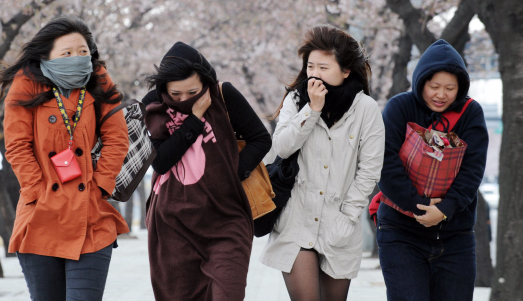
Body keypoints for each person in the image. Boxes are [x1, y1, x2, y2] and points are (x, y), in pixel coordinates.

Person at [0, 16, 130, 301]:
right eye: (66, 53)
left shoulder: (98, 79)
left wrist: (101, 186)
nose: (76, 58)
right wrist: (35, 191)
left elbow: (118, 139)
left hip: (90, 215)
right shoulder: (26, 83)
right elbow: (17, 146)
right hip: (41, 214)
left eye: (82, 52)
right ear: (46, 55)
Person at [260, 25, 385, 301]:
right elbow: (281, 146)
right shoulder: (296, 99)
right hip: (296, 222)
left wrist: (348, 216)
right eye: (311, 66)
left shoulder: (366, 109)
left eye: (324, 68)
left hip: (339, 225)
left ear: (346, 71)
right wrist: (312, 109)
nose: (314, 74)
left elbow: (370, 169)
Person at [142, 42, 271, 301]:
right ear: (163, 89)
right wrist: (195, 119)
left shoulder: (224, 96)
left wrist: (231, 175)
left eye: (193, 91)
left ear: (206, 82)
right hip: (172, 222)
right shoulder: (153, 106)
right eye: (175, 94)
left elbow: (261, 138)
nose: (184, 99)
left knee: (228, 292)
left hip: (226, 219)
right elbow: (161, 162)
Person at [376, 39, 489, 301]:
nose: (441, 94)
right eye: (434, 86)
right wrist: (419, 207)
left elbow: (473, 169)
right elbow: (384, 163)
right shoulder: (399, 107)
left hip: (455, 237)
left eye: (450, 88)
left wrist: (445, 209)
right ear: (420, 82)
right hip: (400, 234)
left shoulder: (471, 114)